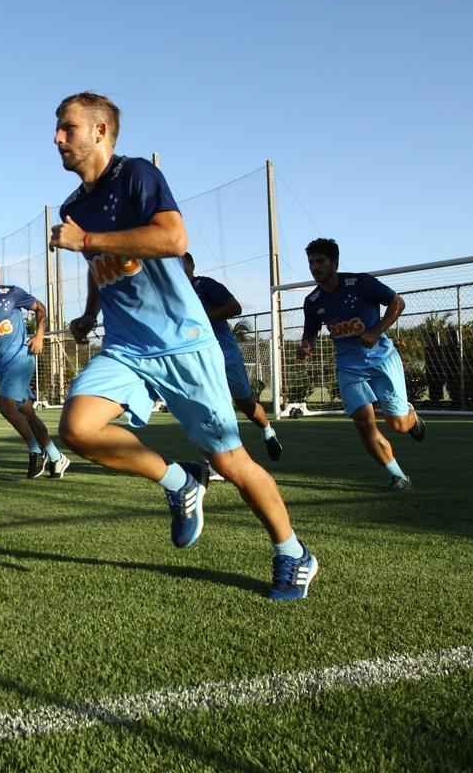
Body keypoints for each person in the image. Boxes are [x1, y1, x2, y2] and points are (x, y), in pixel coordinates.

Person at [49, 92, 316, 601]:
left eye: (68, 128)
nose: (57, 137)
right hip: (127, 347)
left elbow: (173, 239)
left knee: (232, 462)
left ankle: (293, 552)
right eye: (57, 128)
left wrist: (86, 241)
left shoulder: (136, 176)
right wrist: (88, 312)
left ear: (101, 131)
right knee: (77, 429)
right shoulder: (74, 207)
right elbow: (98, 266)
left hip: (182, 343)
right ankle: (180, 483)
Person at [298, 238, 426, 489]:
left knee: (398, 424)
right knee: (363, 422)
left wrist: (376, 331)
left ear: (334, 263)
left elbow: (397, 302)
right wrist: (306, 346)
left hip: (382, 360)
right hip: (348, 368)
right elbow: (310, 332)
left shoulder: (361, 283)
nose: (315, 267)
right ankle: (398, 476)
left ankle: (411, 416)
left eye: (320, 261)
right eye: (311, 262)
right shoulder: (313, 301)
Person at [0, 259, 70, 479]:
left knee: (4, 404)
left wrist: (39, 334)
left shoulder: (11, 294)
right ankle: (56, 456)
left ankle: (35, 451)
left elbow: (40, 308)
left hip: (22, 359)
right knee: (27, 413)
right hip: (1, 366)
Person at [181, 253, 282, 463]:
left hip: (225, 352)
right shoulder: (171, 293)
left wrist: (202, 320)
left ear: (191, 264)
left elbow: (235, 307)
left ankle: (267, 430)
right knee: (205, 406)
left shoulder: (205, 285)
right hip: (196, 357)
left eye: (179, 262)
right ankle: (217, 461)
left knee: (246, 404)